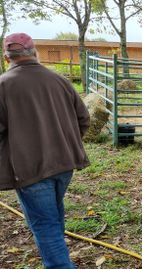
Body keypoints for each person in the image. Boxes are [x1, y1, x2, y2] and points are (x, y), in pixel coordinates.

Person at [0, 33, 90, 269]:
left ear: (6, 56)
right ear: (34, 51)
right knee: (53, 214)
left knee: (44, 224)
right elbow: (84, 119)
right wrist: (67, 143)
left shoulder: (3, 85)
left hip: (31, 170)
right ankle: (59, 253)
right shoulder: (59, 80)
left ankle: (60, 264)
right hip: (64, 165)